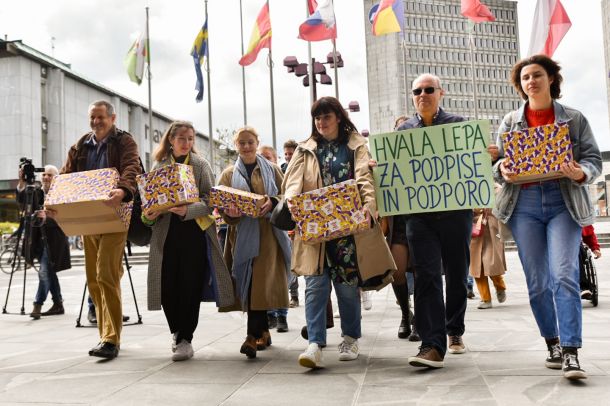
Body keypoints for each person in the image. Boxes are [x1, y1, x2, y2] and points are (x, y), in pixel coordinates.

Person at [493, 55, 601, 380]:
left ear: (551, 79)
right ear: (520, 85)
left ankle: (571, 351)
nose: (531, 82)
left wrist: (582, 172)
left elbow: (593, 158)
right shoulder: (510, 121)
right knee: (538, 282)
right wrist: (503, 170)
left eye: (537, 75)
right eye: (525, 78)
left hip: (563, 201)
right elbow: (497, 164)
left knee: (564, 275)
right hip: (523, 205)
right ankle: (552, 343)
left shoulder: (575, 119)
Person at [283, 96, 396, 369]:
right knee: (315, 285)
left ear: (339, 118)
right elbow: (291, 183)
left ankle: (350, 338)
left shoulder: (356, 146)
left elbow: (365, 179)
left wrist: (370, 206)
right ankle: (314, 343)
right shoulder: (304, 149)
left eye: (327, 117)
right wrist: (292, 207)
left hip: (348, 230)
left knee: (347, 287)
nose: (321, 122)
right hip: (314, 227)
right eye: (318, 118)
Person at [396, 74, 472, 369]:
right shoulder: (404, 131)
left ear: (441, 93)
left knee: (456, 274)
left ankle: (454, 330)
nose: (423, 94)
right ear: (412, 96)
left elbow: (471, 165)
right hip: (419, 217)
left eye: (429, 89)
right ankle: (432, 344)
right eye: (417, 90)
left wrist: (485, 156)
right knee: (426, 277)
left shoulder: (458, 124)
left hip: (455, 213)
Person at [143, 121, 235, 361]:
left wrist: (187, 210)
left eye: (191, 138)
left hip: (194, 234)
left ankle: (185, 338)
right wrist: (149, 214)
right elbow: (150, 202)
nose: (186, 143)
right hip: (165, 235)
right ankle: (176, 331)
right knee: (165, 288)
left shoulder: (200, 165)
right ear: (171, 140)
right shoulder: (159, 165)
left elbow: (211, 201)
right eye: (182, 138)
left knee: (190, 286)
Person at [58, 100, 141, 359]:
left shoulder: (124, 141)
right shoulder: (80, 145)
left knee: (106, 273)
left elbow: (132, 168)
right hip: (88, 218)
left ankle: (111, 339)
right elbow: (66, 176)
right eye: (92, 117)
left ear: (112, 118)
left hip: (116, 214)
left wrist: (123, 190)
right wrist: (54, 200)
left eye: (101, 117)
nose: (96, 122)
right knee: (94, 279)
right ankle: (105, 334)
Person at [219, 127, 291, 359]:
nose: (247, 146)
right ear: (236, 145)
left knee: (258, 284)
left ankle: (251, 337)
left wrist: (271, 201)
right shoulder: (229, 174)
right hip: (241, 236)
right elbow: (221, 205)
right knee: (248, 284)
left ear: (257, 143)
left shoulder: (271, 169)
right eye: (242, 143)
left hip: (269, 236)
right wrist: (230, 211)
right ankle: (263, 331)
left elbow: (286, 195)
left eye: (250, 142)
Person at [16, 165, 71, 319]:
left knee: (45, 271)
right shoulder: (36, 192)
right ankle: (58, 303)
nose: (46, 177)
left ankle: (37, 304)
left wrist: (48, 217)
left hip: (54, 241)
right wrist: (21, 183)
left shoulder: (63, 195)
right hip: (37, 239)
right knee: (50, 272)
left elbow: (65, 219)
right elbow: (21, 200)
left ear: (56, 178)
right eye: (44, 175)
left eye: (50, 175)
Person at [258, 144, 289, 333]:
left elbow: (287, 195)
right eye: (261, 157)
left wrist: (273, 201)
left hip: (278, 230)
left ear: (276, 159)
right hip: (260, 233)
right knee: (266, 276)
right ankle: (269, 314)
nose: (264, 160)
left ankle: (282, 315)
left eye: (268, 157)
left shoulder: (277, 172)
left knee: (281, 275)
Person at [469, 208, 507, 309]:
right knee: (477, 267)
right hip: (474, 228)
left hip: (491, 227)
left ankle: (500, 286)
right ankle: (485, 299)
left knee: (492, 263)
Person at [281, 139, 300, 308]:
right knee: (290, 260)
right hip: (287, 221)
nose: (288, 157)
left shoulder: (302, 166)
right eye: (286, 154)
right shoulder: (282, 170)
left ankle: (294, 295)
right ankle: (293, 294)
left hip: (300, 221)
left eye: (290, 153)